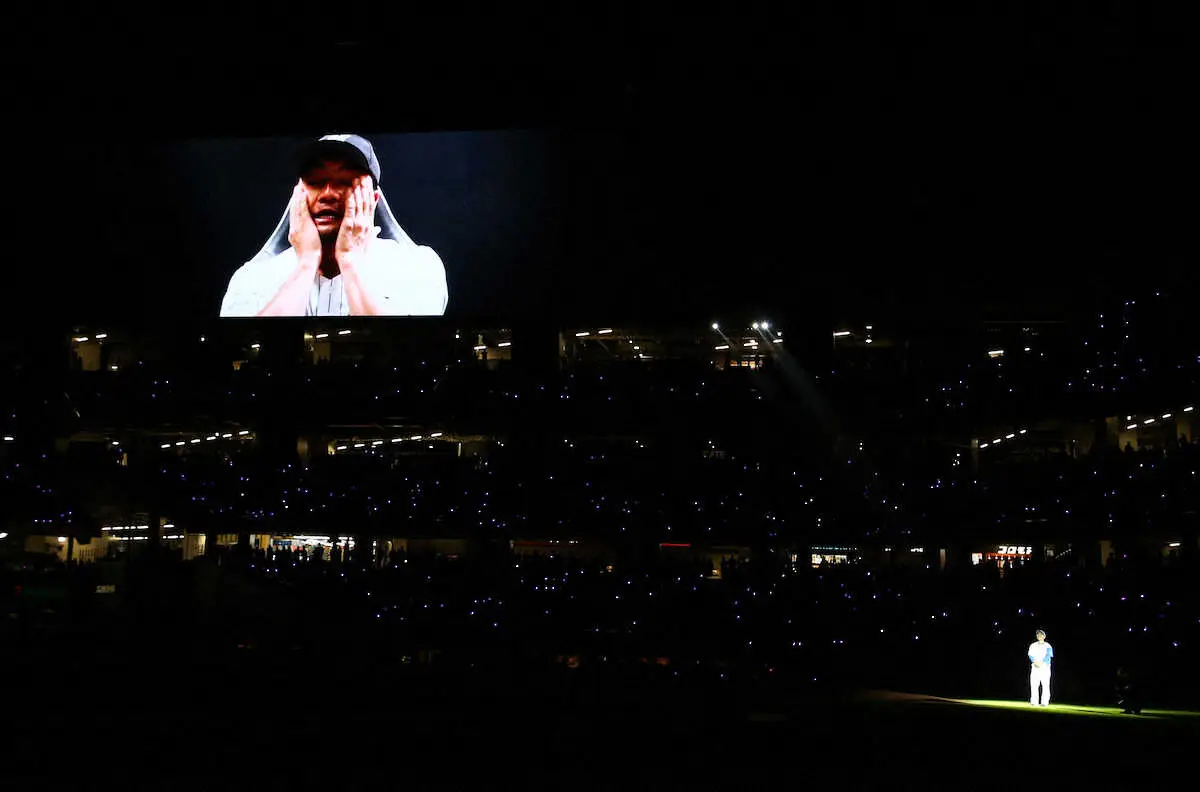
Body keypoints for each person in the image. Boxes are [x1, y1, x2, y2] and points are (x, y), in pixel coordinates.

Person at [220, 134, 448, 317]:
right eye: (316, 181)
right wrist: (307, 263)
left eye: (345, 182)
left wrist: (349, 261)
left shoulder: (418, 267)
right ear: (297, 195)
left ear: (373, 200)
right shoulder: (252, 277)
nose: (327, 193)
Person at [1028, 629, 1053, 707]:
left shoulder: (1048, 645)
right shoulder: (1033, 645)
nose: (1039, 636)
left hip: (1045, 667)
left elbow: (1049, 655)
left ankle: (1045, 702)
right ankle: (1034, 701)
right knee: (1034, 684)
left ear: (1044, 636)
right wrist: (1035, 662)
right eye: (1038, 634)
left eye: (1041, 634)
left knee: (1045, 684)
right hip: (1035, 667)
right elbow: (1030, 655)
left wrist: (1041, 663)